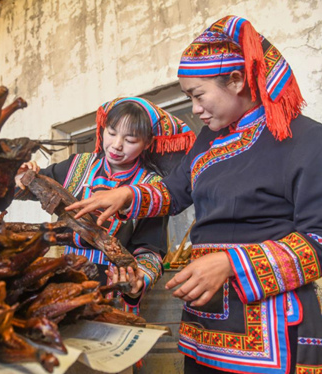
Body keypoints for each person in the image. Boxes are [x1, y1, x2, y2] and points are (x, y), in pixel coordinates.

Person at [66, 15, 322, 374]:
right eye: (188, 97)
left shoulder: (307, 140)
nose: (196, 110)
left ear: (235, 80)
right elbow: (174, 192)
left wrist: (232, 264)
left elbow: (318, 241)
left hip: (272, 332)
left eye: (198, 96)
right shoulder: (208, 140)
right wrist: (126, 196)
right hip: (203, 325)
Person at [15, 97, 195, 314]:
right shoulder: (78, 165)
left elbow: (151, 249)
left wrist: (138, 280)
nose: (117, 145)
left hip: (112, 288)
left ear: (147, 143)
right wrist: (22, 174)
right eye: (111, 133)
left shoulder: (151, 188)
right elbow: (33, 186)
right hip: (67, 277)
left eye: (130, 140)